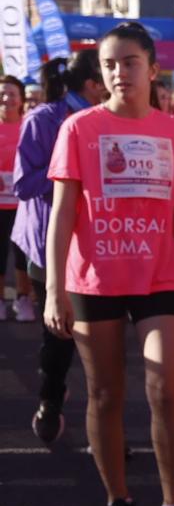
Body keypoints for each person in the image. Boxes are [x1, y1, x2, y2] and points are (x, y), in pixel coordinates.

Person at [43, 22, 174, 506]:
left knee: (165, 386)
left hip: (159, 277)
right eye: (109, 64)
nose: (117, 72)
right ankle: (118, 501)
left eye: (129, 62)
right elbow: (62, 214)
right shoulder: (80, 129)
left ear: (153, 70)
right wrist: (52, 289)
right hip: (95, 277)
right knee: (106, 394)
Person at [13, 52, 103, 441]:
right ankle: (50, 399)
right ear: (93, 83)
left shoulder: (110, 122)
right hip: (46, 243)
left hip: (99, 247)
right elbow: (23, 184)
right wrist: (68, 176)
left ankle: (108, 430)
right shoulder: (43, 119)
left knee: (101, 342)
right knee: (58, 334)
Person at [1, 75, 31, 319]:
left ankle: (23, 299)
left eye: (12, 94)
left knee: (23, 254)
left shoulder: (27, 126)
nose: (6, 98)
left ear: (20, 99)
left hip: (23, 204)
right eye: (3, 93)